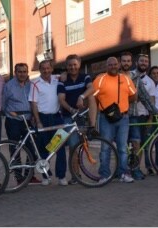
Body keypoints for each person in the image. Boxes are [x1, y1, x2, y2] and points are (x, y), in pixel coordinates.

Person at [92, 57, 137, 184]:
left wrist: (122, 105)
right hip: (105, 118)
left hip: (123, 117)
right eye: (110, 65)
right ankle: (104, 175)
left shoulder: (125, 79)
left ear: (118, 65)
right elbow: (93, 98)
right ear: (106, 66)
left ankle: (122, 173)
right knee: (105, 147)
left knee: (122, 148)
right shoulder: (100, 80)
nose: (113, 66)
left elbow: (133, 95)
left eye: (115, 64)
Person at [57, 54, 95, 185]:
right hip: (68, 117)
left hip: (82, 116)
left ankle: (93, 126)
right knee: (73, 147)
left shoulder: (85, 77)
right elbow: (61, 99)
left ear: (79, 65)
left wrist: (81, 96)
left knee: (92, 97)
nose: (72, 67)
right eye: (70, 65)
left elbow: (92, 88)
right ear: (66, 67)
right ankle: (75, 175)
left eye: (75, 64)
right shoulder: (63, 80)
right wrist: (71, 110)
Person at [29, 60, 67, 186]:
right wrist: (38, 120)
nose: (46, 71)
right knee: (44, 148)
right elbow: (33, 103)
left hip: (56, 117)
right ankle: (46, 175)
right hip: (43, 118)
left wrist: (63, 75)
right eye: (43, 69)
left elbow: (64, 75)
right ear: (40, 70)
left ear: (51, 69)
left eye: (48, 68)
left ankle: (61, 176)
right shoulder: (35, 83)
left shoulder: (57, 80)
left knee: (59, 147)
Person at [123, 53, 158, 180]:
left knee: (138, 143)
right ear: (136, 62)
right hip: (124, 114)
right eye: (141, 61)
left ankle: (135, 169)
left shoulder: (149, 82)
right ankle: (122, 170)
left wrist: (153, 114)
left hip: (141, 116)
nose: (144, 63)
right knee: (123, 144)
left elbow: (149, 100)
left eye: (146, 61)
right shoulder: (130, 75)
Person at [2, 63, 40, 184]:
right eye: (20, 71)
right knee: (15, 148)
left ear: (27, 72)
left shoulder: (30, 85)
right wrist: (9, 112)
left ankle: (29, 176)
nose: (22, 74)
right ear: (15, 72)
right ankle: (19, 177)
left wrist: (34, 116)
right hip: (13, 121)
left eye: (24, 71)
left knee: (32, 148)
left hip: (28, 120)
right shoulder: (9, 86)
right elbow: (3, 103)